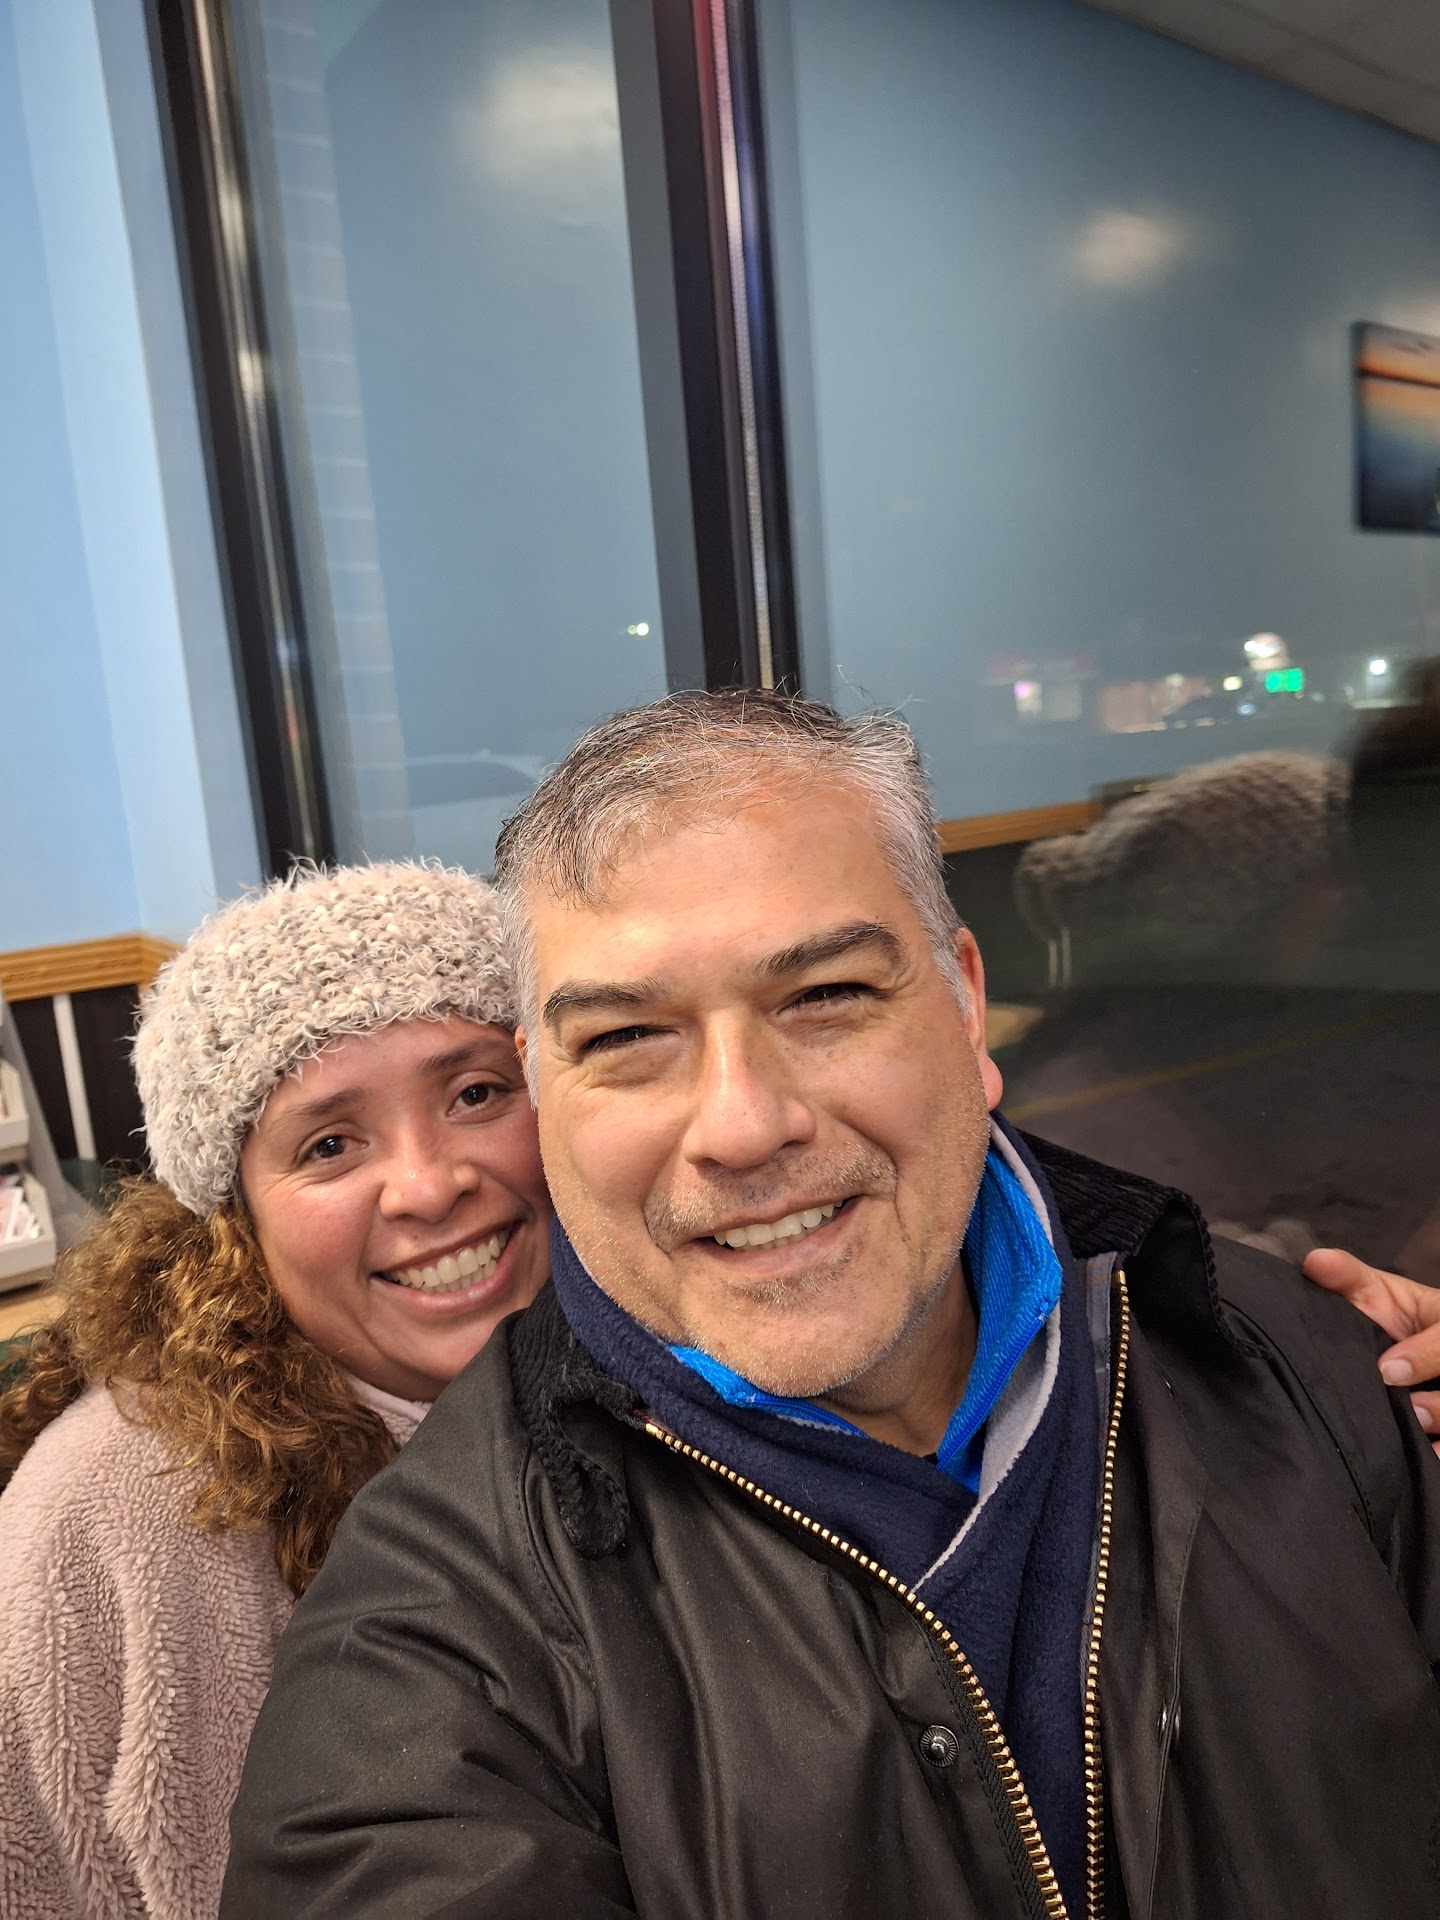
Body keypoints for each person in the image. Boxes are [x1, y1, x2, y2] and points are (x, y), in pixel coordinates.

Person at [225, 693, 1440, 1920]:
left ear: (965, 1005)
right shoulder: (426, 1655)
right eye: (629, 1035)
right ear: (544, 1093)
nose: (745, 1124)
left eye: (824, 997)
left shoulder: (1316, 1376)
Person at [0, 862, 549, 1920]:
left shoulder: (692, 1383)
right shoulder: (108, 1516)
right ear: (236, 1223)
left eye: (477, 1094)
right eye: (330, 1144)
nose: (429, 1184)